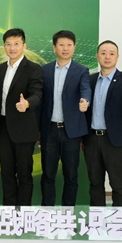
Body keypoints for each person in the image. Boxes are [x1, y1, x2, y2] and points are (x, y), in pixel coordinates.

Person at [83, 40, 122, 208]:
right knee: (95, 183)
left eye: (111, 53)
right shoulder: (90, 80)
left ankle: (120, 219)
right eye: (103, 53)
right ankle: (97, 218)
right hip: (91, 139)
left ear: (117, 57)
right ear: (97, 56)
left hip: (115, 140)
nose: (107, 57)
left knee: (117, 184)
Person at [39, 30, 91, 206]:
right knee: (48, 175)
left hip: (72, 132)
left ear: (74, 47)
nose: (65, 48)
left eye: (69, 45)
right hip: (49, 130)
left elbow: (85, 89)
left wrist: (85, 101)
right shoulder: (44, 70)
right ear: (54, 47)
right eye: (61, 45)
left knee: (71, 175)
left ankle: (67, 215)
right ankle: (47, 214)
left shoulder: (81, 70)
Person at [0, 28, 43, 206]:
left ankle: (23, 214)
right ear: (4, 46)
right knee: (6, 174)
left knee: (24, 175)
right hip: (3, 129)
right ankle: (8, 214)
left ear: (24, 45)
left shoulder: (33, 68)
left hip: (24, 130)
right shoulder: (1, 68)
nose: (12, 48)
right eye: (8, 44)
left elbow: (37, 93)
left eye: (16, 44)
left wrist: (27, 103)